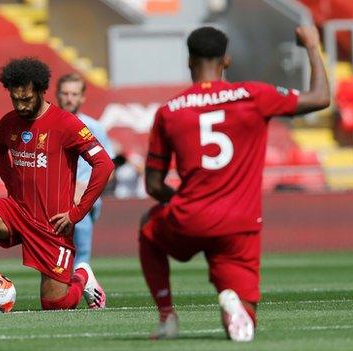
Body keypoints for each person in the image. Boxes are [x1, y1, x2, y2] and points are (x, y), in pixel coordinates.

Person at [139, 26, 329, 340]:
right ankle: (234, 309)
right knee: (243, 322)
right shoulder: (254, 95)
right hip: (240, 224)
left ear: (189, 62)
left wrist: (179, 202)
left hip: (191, 218)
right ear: (226, 61)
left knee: (149, 227)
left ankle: (166, 316)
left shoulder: (169, 111)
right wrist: (311, 45)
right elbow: (321, 98)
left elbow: (153, 185)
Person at [0, 58, 114, 314]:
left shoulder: (67, 124)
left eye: (27, 99)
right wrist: (12, 184)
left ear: (41, 91)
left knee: (55, 305)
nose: (21, 105)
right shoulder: (9, 123)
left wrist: (77, 213)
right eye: (15, 99)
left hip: (52, 225)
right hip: (18, 211)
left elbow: (104, 164)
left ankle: (82, 275)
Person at [56, 73, 115, 266]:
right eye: (65, 93)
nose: (69, 98)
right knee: (54, 258)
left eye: (74, 94)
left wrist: (86, 189)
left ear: (82, 97)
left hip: (83, 203)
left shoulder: (95, 127)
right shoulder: (47, 125)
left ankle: (76, 291)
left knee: (81, 254)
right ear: (57, 95)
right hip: (54, 201)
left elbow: (108, 168)